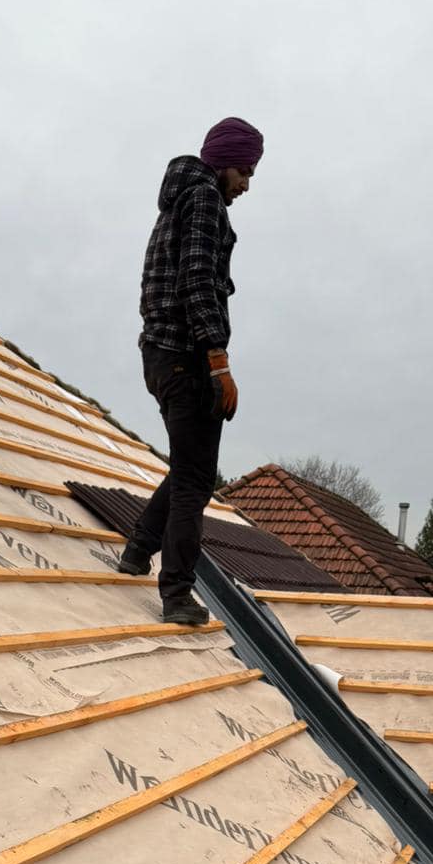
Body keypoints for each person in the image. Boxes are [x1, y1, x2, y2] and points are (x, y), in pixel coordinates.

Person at [118, 116, 264, 625]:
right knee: (196, 482)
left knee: (189, 467)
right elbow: (198, 280)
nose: (246, 183)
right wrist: (218, 361)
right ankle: (176, 592)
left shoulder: (180, 202)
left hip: (160, 355)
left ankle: (138, 550)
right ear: (224, 161)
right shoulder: (203, 200)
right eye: (244, 170)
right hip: (186, 355)